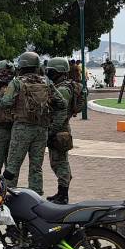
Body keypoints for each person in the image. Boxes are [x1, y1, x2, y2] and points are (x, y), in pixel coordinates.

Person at [0, 52, 66, 195]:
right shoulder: (46, 82)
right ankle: (35, 196)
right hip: (41, 130)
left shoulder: (17, 82)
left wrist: (12, 111)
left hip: (21, 128)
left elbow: (6, 102)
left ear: (22, 65)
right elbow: (61, 103)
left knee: (12, 166)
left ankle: (6, 194)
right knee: (36, 167)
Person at [45, 58, 77, 204]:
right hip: (59, 129)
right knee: (57, 161)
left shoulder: (63, 90)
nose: (48, 73)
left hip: (60, 130)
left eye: (51, 71)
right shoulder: (61, 86)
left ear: (59, 72)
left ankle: (63, 195)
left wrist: (52, 131)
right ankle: (61, 193)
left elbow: (61, 113)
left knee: (60, 162)